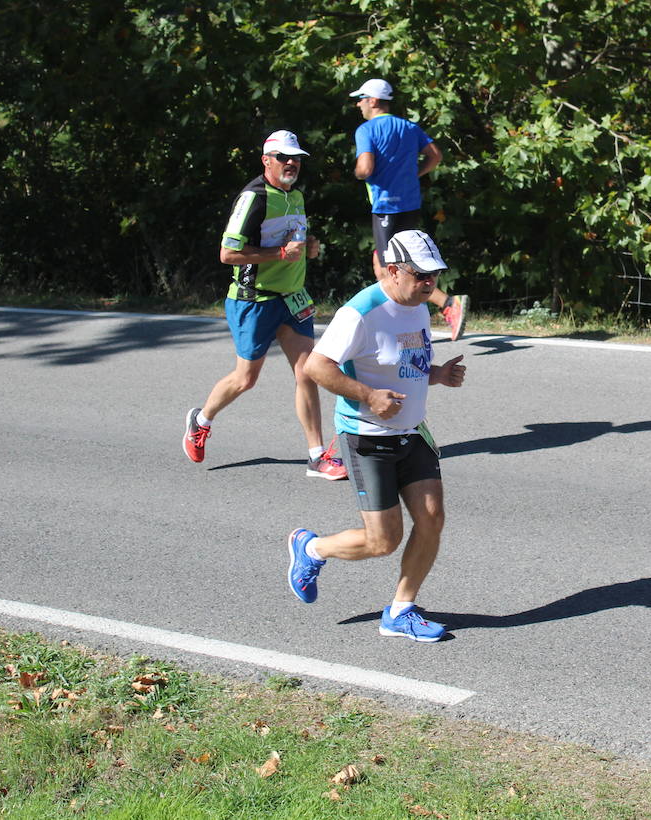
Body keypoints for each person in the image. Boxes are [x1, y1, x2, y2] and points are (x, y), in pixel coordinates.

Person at [287, 229, 467, 642]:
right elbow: (315, 367)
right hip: (367, 437)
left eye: (434, 276)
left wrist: (436, 374)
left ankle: (400, 611)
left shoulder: (418, 306)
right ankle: (312, 549)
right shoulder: (361, 313)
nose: (429, 284)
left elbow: (407, 359)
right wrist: (367, 394)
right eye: (420, 275)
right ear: (392, 270)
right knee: (383, 540)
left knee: (432, 518)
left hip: (412, 431)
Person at [183, 130, 347, 481]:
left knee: (308, 372)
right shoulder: (253, 198)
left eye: (297, 158)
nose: (292, 164)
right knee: (246, 379)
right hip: (253, 299)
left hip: (292, 298)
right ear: (266, 161)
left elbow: (293, 243)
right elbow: (227, 254)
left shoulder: (297, 196)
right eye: (284, 158)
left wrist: (310, 247)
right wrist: (278, 254)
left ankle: (317, 457)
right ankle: (201, 420)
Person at [349, 77, 470, 341]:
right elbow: (435, 155)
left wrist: (358, 172)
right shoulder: (408, 127)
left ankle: (448, 305)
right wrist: (415, 173)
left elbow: (366, 168)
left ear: (373, 100)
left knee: (391, 266)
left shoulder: (366, 130)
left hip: (385, 206)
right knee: (385, 262)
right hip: (410, 204)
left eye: (361, 99)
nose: (358, 104)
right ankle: (394, 320)